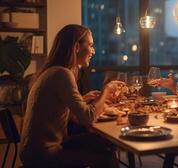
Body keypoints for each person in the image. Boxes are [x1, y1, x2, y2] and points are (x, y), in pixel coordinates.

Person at [20, 24, 121, 167]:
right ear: (76, 47)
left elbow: (69, 116)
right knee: (105, 155)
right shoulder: (62, 74)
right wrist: (107, 90)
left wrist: (82, 100)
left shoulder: (52, 72)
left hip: (36, 149)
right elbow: (88, 118)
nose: (93, 51)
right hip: (43, 154)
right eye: (90, 45)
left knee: (106, 142)